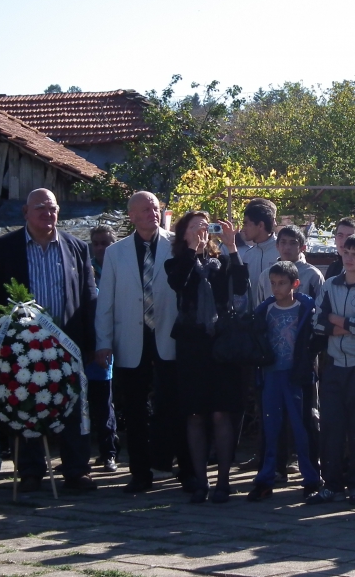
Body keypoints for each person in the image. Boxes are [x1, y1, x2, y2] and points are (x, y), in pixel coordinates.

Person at [0, 189, 97, 493]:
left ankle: (77, 470)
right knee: (27, 401)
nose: (48, 213)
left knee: (73, 406)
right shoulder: (3, 248)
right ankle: (31, 471)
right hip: (23, 345)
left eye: (53, 208)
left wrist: (91, 342)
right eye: (41, 208)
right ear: (25, 212)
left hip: (68, 344)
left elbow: (88, 297)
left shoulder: (76, 247)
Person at [95, 192, 186, 492]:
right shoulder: (116, 253)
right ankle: (140, 473)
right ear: (132, 216)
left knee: (173, 405)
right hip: (131, 339)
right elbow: (106, 301)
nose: (153, 213)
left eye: (156, 208)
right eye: (146, 209)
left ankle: (178, 466)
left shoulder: (177, 245)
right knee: (134, 410)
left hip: (168, 336)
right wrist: (103, 342)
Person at [165, 211, 248, 503]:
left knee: (221, 412)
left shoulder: (221, 262)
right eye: (195, 226)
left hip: (221, 345)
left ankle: (223, 481)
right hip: (192, 346)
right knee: (195, 414)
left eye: (205, 225)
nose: (201, 230)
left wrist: (232, 246)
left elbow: (241, 286)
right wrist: (192, 251)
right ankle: (200, 481)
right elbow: (179, 282)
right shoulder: (176, 262)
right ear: (183, 233)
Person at [308, 234, 355, 506]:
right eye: (346, 252)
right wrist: (345, 325)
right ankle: (331, 484)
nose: (349, 258)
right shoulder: (330, 285)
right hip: (334, 365)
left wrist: (335, 320)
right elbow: (317, 322)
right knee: (331, 426)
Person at [248, 261, 321, 501]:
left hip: (296, 376)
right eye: (273, 283)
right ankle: (265, 478)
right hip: (271, 374)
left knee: (302, 429)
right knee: (271, 429)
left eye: (281, 283)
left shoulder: (306, 309)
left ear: (295, 284)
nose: (276, 288)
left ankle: (311, 479)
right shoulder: (265, 310)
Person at [85, 224, 118, 473]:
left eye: (105, 243)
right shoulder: (85, 270)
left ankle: (109, 452)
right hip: (85, 343)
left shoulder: (119, 268)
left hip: (108, 344)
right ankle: (80, 454)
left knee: (103, 403)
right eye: (96, 243)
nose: (100, 248)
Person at [256, 225, 324, 302]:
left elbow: (321, 306)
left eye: (293, 243)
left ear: (302, 248)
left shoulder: (313, 275)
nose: (287, 247)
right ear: (277, 246)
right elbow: (260, 306)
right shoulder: (265, 275)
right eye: (283, 242)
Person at [241, 199, 279, 307]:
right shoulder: (248, 255)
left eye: (246, 224)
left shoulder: (283, 251)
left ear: (261, 225)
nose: (243, 229)